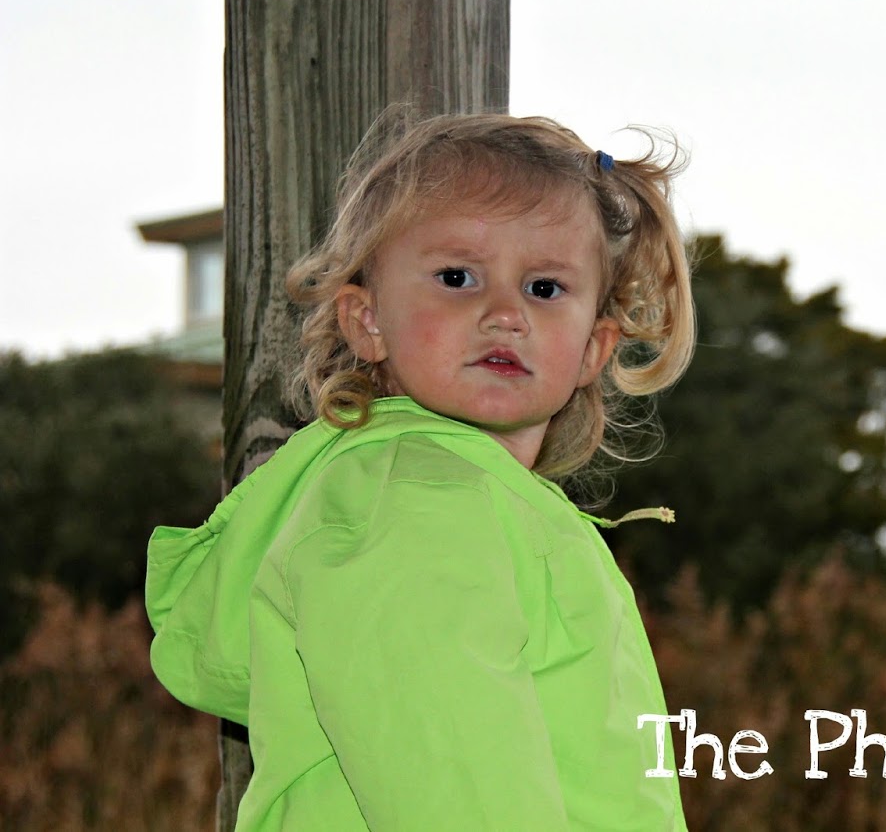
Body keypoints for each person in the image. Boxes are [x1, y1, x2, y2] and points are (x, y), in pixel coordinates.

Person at [145, 111, 696, 830]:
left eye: (544, 288)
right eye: (458, 277)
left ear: (594, 347)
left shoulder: (468, 500)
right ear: (367, 319)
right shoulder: (419, 502)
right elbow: (455, 783)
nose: (505, 314)